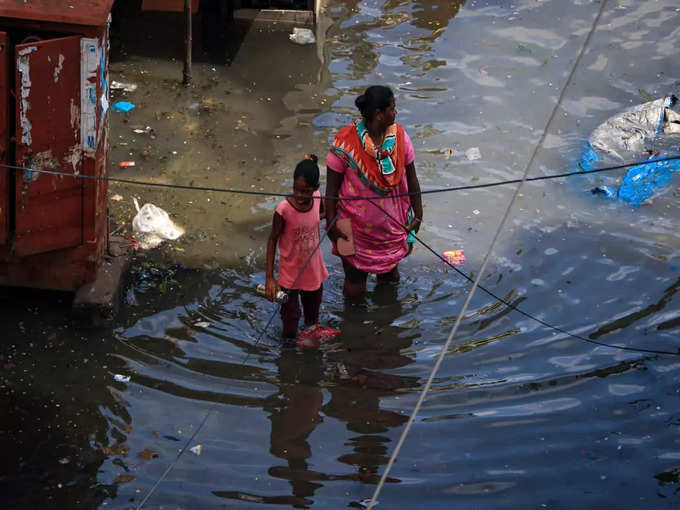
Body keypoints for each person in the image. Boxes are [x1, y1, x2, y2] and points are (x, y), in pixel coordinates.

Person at [325, 85, 423, 297]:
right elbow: (331, 190)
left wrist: (418, 215)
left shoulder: (400, 139)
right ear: (379, 114)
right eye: (392, 108)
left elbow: (412, 179)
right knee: (353, 281)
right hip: (348, 227)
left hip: (392, 227)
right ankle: (356, 327)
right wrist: (332, 225)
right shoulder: (345, 143)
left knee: (389, 278)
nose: (395, 113)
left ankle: (386, 323)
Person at [266, 155, 336, 346]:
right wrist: (270, 278)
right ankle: (288, 357)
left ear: (314, 189)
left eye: (305, 191)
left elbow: (322, 213)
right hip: (290, 274)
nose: (300, 195)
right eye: (296, 190)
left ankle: (309, 346)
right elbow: (272, 240)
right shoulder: (283, 210)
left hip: (313, 270)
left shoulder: (317, 197)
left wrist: (332, 216)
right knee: (290, 324)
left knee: (312, 322)